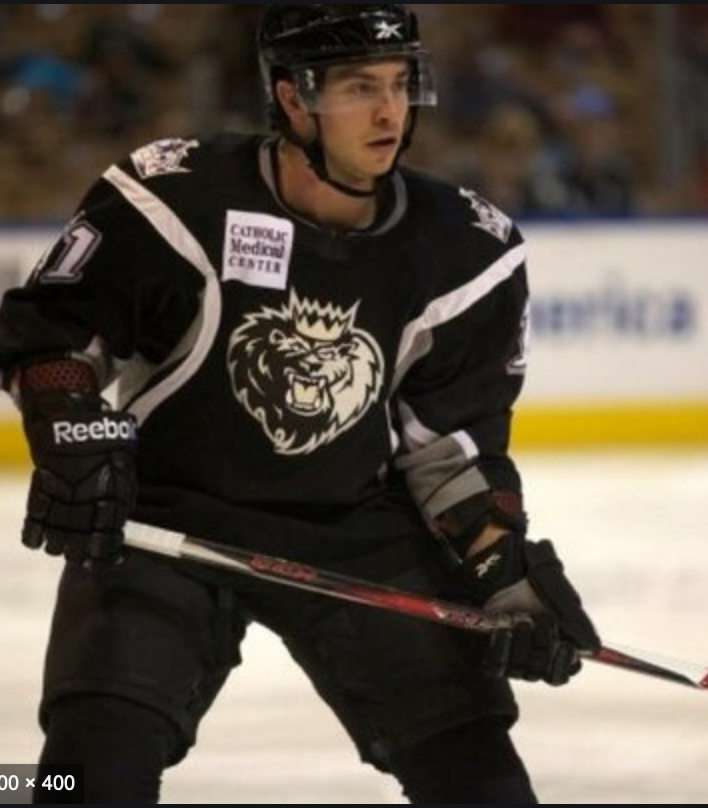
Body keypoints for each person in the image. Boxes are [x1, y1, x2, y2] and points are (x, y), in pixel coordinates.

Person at [0, 5, 600, 804]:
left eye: (399, 84)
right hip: (167, 521)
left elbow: (446, 443)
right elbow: (53, 341)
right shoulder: (173, 199)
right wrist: (66, 422)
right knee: (82, 781)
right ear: (290, 97)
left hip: (353, 526)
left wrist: (499, 561)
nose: (390, 113)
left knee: (481, 781)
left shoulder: (465, 247)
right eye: (360, 88)